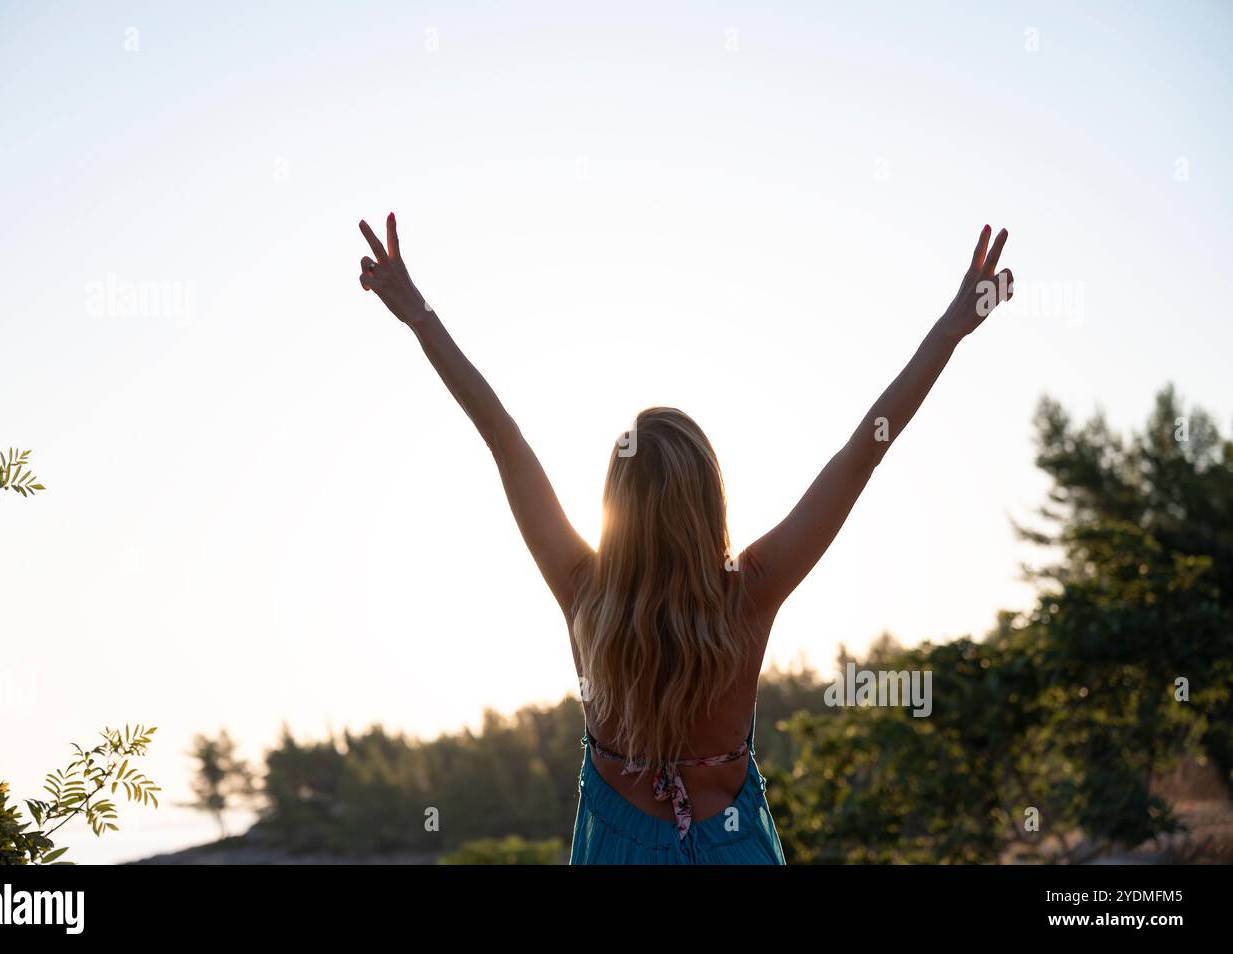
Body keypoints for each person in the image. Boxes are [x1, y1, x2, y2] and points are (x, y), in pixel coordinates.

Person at [357, 214, 1014, 864]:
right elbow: (865, 450)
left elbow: (503, 438)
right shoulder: (749, 594)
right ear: (709, 501)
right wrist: (951, 328)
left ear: (615, 504)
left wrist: (419, 315)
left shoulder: (584, 592)